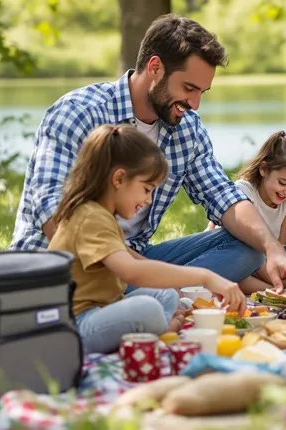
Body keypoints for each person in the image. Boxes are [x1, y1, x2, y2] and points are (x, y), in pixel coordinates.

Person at [9, 14, 286, 304]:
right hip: (65, 267)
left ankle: (156, 298)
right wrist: (136, 271)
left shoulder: (186, 127)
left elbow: (222, 195)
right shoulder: (78, 114)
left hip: (137, 260)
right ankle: (157, 298)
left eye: (202, 92)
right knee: (152, 294)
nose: (195, 103)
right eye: (189, 88)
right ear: (155, 68)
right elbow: (55, 220)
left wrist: (273, 249)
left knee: (249, 249)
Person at [47, 124, 246, 354]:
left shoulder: (100, 214)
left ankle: (156, 329)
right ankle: (163, 330)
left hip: (103, 310)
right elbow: (132, 271)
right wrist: (206, 276)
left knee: (167, 295)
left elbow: (136, 260)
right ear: (119, 179)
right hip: (76, 327)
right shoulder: (91, 217)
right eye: (147, 189)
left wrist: (177, 283)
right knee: (148, 309)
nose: (149, 200)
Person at [207, 130, 286, 294]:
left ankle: (279, 284)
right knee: (245, 262)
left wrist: (278, 264)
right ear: (264, 169)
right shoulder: (244, 191)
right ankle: (275, 288)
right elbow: (225, 236)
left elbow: (280, 244)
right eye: (283, 183)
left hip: (267, 257)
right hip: (236, 254)